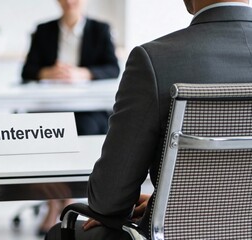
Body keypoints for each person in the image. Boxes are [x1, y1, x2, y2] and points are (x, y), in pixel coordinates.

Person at [46, 0, 252, 239]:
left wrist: (171, 203)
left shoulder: (154, 59)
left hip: (170, 233)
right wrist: (162, 198)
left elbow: (109, 199)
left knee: (60, 232)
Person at [21, 0, 120, 136]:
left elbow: (113, 69)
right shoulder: (43, 30)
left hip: (88, 107)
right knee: (31, 128)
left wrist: (83, 73)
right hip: (48, 105)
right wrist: (48, 73)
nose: (69, 1)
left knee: (84, 127)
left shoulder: (101, 29)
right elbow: (27, 71)